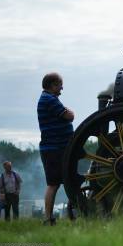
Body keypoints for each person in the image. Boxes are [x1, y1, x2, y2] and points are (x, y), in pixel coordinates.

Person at [37, 72, 75, 225]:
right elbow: (69, 116)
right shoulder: (49, 100)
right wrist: (69, 112)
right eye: (60, 84)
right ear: (52, 85)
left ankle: (53, 217)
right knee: (53, 184)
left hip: (56, 148)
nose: (62, 88)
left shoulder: (50, 99)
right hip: (54, 148)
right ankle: (47, 218)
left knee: (59, 182)